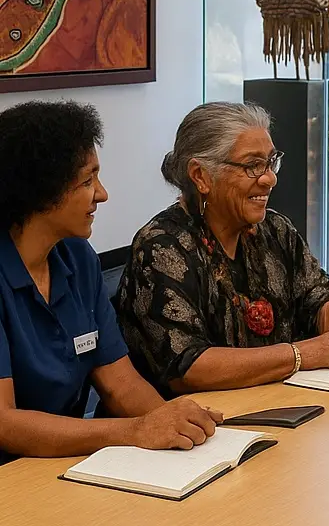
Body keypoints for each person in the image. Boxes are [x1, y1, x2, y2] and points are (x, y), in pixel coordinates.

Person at [116, 102, 329, 397]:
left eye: (271, 162)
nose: (270, 178)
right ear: (201, 176)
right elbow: (188, 370)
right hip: (196, 430)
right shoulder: (162, 247)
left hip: (276, 406)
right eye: (252, 165)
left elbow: (327, 333)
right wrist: (298, 355)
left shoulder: (276, 231)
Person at [0, 101, 223, 461]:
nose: (102, 194)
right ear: (41, 190)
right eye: (87, 180)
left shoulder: (77, 258)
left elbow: (120, 384)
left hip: (67, 463)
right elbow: (5, 424)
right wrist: (136, 431)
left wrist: (176, 423)